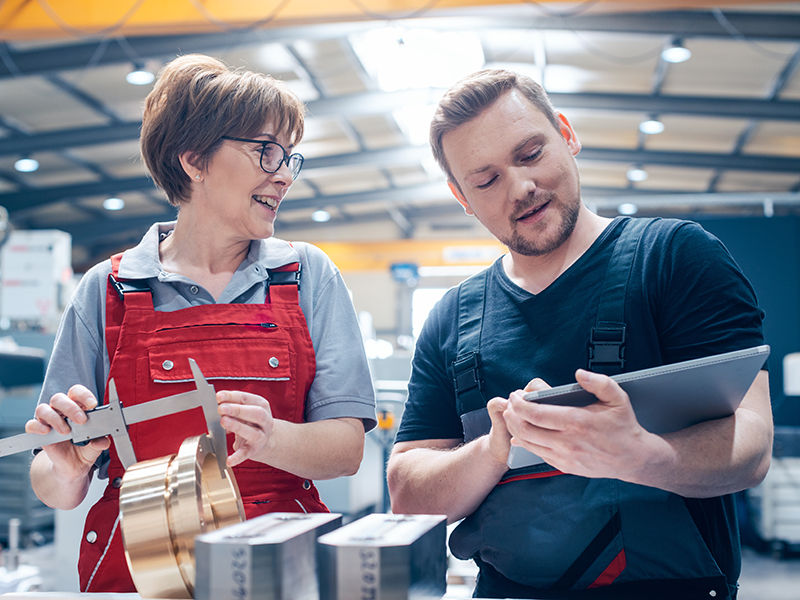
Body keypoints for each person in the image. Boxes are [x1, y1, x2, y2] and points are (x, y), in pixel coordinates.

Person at [387, 69, 772, 600]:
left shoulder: (676, 259)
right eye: (486, 180)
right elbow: (408, 492)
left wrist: (638, 454)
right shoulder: (452, 318)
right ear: (461, 196)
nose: (520, 187)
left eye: (529, 154)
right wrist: (496, 448)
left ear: (566, 134)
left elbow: (751, 443)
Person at [25, 54, 376, 593]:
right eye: (266, 152)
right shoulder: (107, 289)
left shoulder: (306, 275)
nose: (284, 175)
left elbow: (346, 450)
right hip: (142, 570)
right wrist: (68, 466)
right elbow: (52, 482)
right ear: (194, 160)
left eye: (289, 158)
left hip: (279, 566)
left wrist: (272, 437)